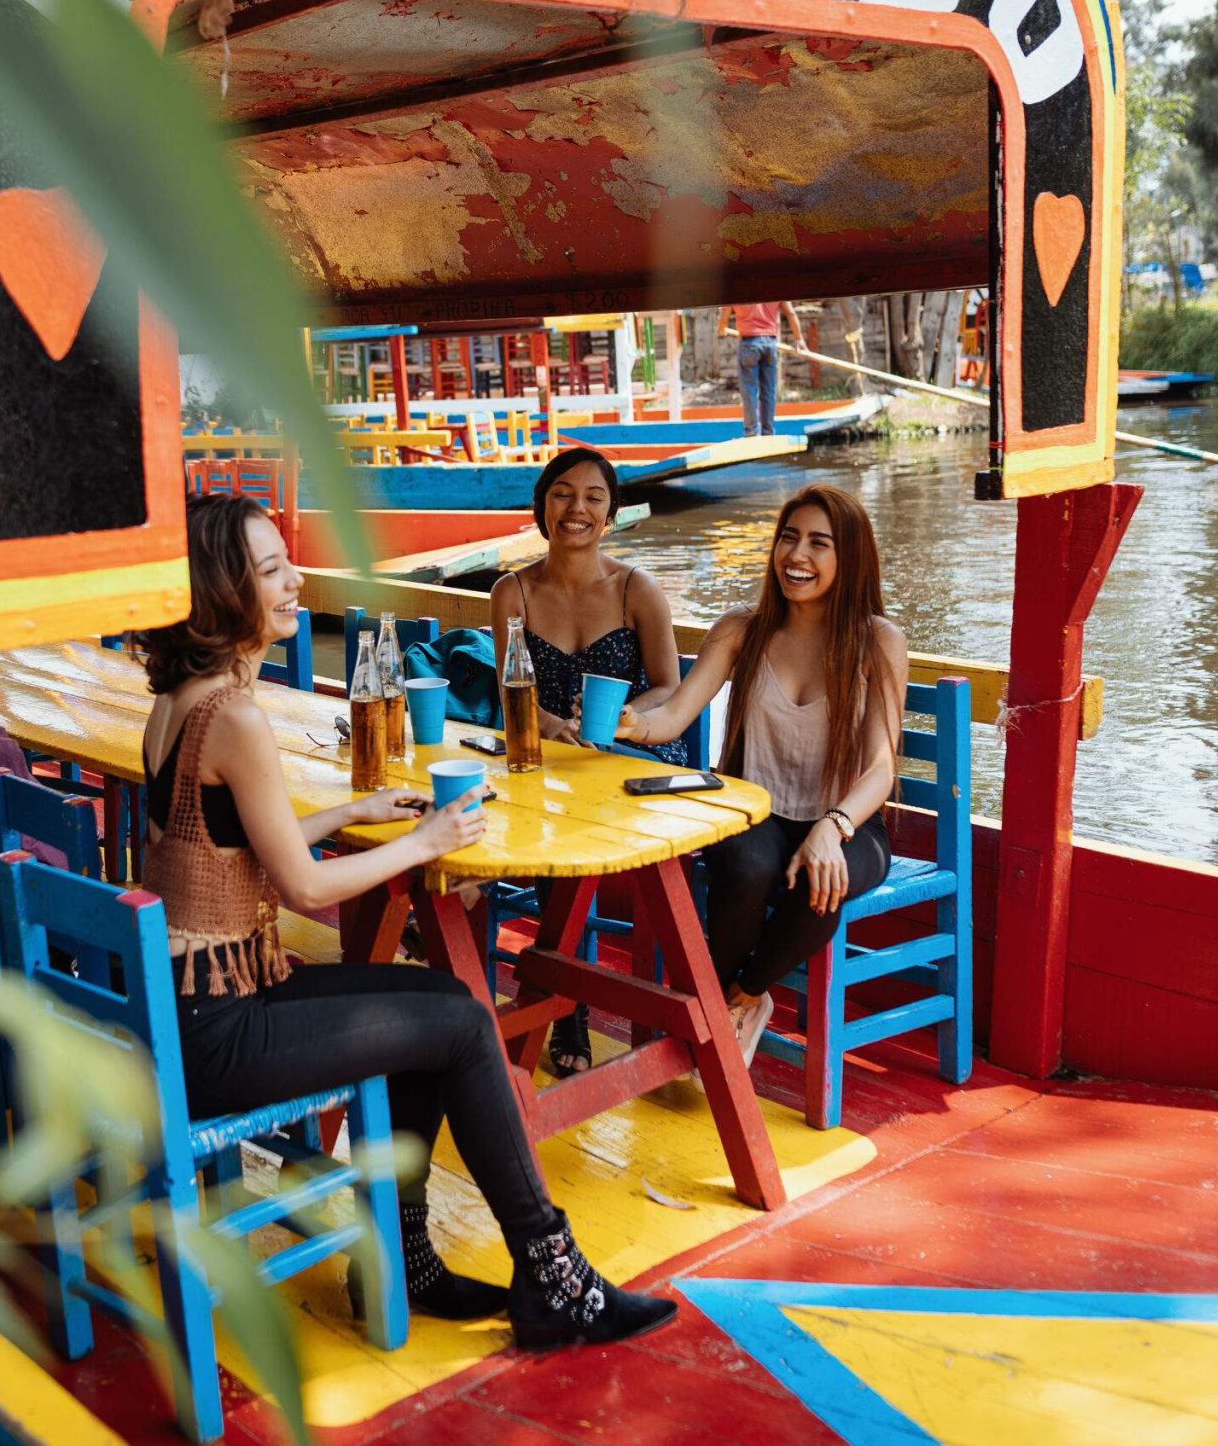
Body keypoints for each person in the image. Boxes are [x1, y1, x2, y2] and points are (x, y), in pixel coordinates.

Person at [137, 494, 676, 1348]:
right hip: (221, 1033)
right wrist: (426, 836)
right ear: (221, 590)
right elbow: (309, 889)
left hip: (193, 1006)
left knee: (429, 1003)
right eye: (271, 568)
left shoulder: (179, 701)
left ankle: (404, 1253)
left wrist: (353, 809)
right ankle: (551, 1271)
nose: (294, 579)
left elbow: (220, 839)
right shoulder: (233, 715)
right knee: (462, 1022)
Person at [614, 483, 906, 1063]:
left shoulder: (878, 640)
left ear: (850, 557)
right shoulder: (741, 629)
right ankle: (732, 1008)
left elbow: (880, 765)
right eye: (789, 538)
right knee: (745, 864)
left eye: (819, 544)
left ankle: (738, 999)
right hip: (756, 811)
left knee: (824, 879)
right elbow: (672, 715)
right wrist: (631, 725)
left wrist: (834, 825)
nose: (797, 556)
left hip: (851, 822)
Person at [487, 446, 685, 1075]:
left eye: (594, 497)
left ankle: (555, 993)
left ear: (611, 512)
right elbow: (508, 690)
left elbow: (669, 688)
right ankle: (562, 998)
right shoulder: (510, 591)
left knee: (557, 812)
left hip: (629, 755)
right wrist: (547, 724)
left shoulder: (637, 589)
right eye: (563, 494)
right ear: (543, 506)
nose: (577, 508)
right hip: (549, 757)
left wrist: (628, 718)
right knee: (541, 806)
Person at [718, 300, 805, 436]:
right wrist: (799, 339)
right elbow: (791, 313)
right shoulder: (773, 285)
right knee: (768, 392)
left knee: (749, 391)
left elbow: (725, 311)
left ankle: (752, 432)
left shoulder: (737, 287)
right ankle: (768, 431)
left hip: (749, 343)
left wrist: (722, 327)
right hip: (770, 344)